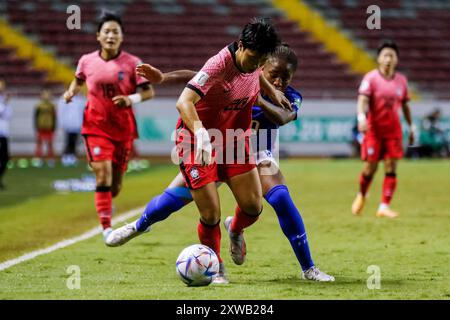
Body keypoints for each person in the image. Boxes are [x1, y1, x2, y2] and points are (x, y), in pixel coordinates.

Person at [107, 44, 335, 283]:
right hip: (217, 146)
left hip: (257, 154)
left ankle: (305, 267)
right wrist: (164, 77)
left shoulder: (290, 97)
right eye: (273, 75)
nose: (279, 82)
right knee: (170, 202)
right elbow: (197, 77)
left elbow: (281, 117)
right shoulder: (240, 76)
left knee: (279, 199)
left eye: (285, 78)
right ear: (261, 67)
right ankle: (138, 226)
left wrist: (255, 95)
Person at [62, 11, 160, 241]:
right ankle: (106, 228)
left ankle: (107, 204)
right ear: (98, 36)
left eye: (115, 31)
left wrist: (130, 99)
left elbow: (148, 92)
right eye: (106, 31)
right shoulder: (87, 61)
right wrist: (70, 92)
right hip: (95, 126)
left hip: (123, 129)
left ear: (122, 37)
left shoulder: (133, 63)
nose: (110, 35)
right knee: (102, 176)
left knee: (114, 186)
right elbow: (78, 80)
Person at [351, 40, 414, 218]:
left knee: (391, 166)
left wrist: (411, 126)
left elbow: (406, 106)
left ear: (396, 60)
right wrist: (361, 118)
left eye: (391, 55)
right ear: (379, 58)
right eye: (385, 55)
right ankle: (362, 194)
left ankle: (384, 206)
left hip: (393, 131)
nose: (388, 59)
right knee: (370, 168)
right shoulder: (371, 78)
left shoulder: (401, 80)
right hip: (374, 131)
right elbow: (362, 100)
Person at [57, 94, 85, 166]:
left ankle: (72, 156)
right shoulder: (65, 98)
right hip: (68, 124)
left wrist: (82, 124)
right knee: (68, 141)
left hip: (77, 124)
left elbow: (82, 112)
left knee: (74, 142)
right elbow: (61, 111)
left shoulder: (80, 99)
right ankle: (66, 156)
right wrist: (62, 123)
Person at [34, 89, 57, 167]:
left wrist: (54, 127)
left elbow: (54, 118)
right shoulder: (38, 106)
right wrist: (36, 127)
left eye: (47, 94)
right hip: (41, 127)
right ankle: (39, 159)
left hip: (49, 127)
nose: (46, 96)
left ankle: (51, 159)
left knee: (50, 144)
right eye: (44, 94)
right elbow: (35, 117)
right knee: (39, 144)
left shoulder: (52, 106)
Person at [0, 79, 12, 190]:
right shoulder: (3, 101)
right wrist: (4, 103)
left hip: (3, 132)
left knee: (5, 157)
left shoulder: (4, 100)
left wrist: (6, 103)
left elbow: (8, 116)